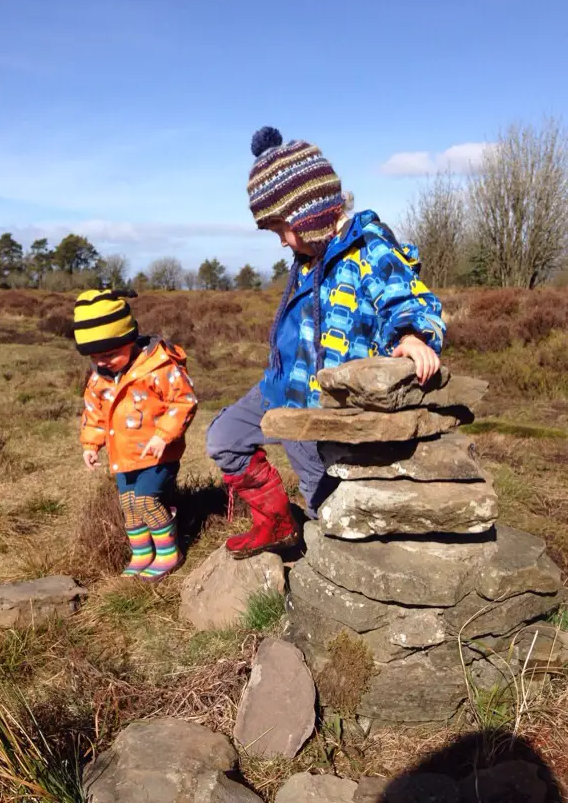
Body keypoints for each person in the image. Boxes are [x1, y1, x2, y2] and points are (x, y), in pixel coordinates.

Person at [207, 127, 445, 559]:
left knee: (323, 496)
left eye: (282, 227)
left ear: (309, 212)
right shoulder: (306, 257)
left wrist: (412, 335)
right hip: (282, 388)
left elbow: (405, 294)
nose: (280, 240)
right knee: (223, 437)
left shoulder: (367, 247)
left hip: (323, 408)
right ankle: (276, 520)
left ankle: (333, 571)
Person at [74, 289, 198, 580]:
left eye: (109, 354)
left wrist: (163, 436)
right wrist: (91, 444)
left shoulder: (159, 366)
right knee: (129, 506)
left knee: (146, 501)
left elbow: (183, 400)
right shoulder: (99, 379)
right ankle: (142, 552)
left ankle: (169, 551)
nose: (103, 361)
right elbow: (94, 412)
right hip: (123, 455)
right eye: (95, 356)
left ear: (129, 340)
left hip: (157, 454)